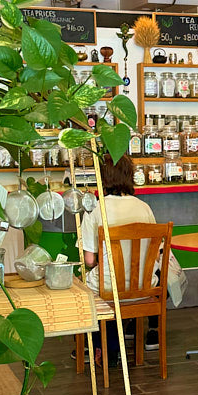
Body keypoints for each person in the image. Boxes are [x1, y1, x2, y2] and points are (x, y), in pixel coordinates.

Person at [81, 154, 159, 364]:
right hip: (144, 287)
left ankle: (100, 347)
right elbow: (156, 252)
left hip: (109, 289)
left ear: (102, 178)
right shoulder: (144, 207)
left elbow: (89, 260)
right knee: (109, 285)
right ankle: (114, 345)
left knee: (84, 288)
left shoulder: (95, 209)